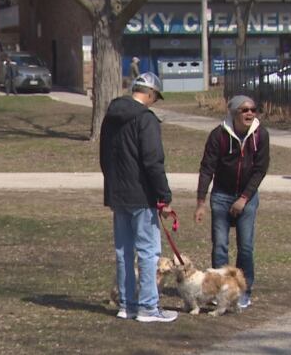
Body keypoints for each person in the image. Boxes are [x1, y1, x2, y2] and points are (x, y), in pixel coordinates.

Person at [99, 72, 178, 323]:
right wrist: (164, 196)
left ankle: (126, 304)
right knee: (148, 251)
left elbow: (104, 157)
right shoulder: (146, 119)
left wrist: (112, 184)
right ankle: (147, 306)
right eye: (155, 97)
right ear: (151, 94)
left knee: (124, 252)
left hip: (118, 193)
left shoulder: (110, 117)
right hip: (142, 195)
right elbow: (153, 161)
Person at [194, 95, 270, 309]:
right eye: (244, 110)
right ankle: (220, 291)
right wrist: (201, 201)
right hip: (221, 195)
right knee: (220, 246)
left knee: (245, 247)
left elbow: (260, 170)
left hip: (247, 197)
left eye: (253, 110)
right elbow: (207, 168)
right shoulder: (218, 135)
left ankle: (243, 291)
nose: (249, 114)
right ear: (233, 112)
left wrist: (244, 198)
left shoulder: (260, 135)